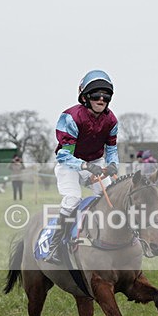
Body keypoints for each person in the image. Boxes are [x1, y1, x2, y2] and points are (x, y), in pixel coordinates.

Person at [46, 69, 120, 264]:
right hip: (70, 165)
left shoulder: (111, 120)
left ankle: (114, 242)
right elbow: (64, 155)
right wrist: (85, 166)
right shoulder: (70, 118)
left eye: (106, 95)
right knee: (73, 198)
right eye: (96, 94)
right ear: (85, 97)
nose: (101, 99)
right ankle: (54, 244)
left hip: (95, 163)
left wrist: (113, 165)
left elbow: (111, 149)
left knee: (110, 198)